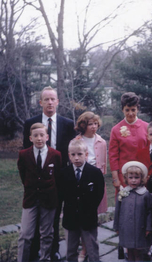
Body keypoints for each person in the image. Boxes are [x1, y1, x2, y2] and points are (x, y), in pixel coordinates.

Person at [23, 86, 76, 261]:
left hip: (58, 179)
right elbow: (25, 154)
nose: (50, 102)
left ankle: (53, 250)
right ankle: (34, 250)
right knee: (35, 217)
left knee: (52, 217)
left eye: (53, 99)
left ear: (58, 102)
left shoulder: (67, 124)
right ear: (41, 102)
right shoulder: (30, 123)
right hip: (36, 180)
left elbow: (71, 152)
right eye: (46, 99)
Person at [17, 123, 62, 262]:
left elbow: (58, 177)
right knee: (25, 234)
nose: (39, 138)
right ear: (30, 138)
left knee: (47, 234)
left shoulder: (56, 155)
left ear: (47, 137)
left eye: (42, 135)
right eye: (35, 136)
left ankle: (45, 258)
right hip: (30, 199)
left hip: (49, 199)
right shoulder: (24, 155)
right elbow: (23, 175)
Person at [60, 138, 104, 262]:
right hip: (70, 217)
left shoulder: (95, 172)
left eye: (80, 154)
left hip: (88, 216)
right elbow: (61, 193)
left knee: (92, 247)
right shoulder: (64, 173)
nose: (77, 158)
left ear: (86, 154)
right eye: (73, 155)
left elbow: (99, 193)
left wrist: (90, 207)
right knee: (70, 249)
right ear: (69, 156)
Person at [75, 111, 107, 262]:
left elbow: (103, 165)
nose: (94, 127)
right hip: (81, 180)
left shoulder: (101, 142)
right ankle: (84, 248)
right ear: (83, 125)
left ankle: (90, 247)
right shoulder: (77, 141)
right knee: (82, 215)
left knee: (92, 215)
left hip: (95, 180)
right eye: (90, 124)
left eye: (95, 124)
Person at [113, 161, 152, 262]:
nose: (134, 180)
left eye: (137, 177)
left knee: (138, 251)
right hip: (126, 228)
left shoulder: (145, 194)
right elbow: (117, 211)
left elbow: (150, 212)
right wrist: (116, 226)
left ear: (142, 178)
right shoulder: (123, 194)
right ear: (126, 178)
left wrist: (149, 228)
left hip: (140, 228)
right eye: (130, 178)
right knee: (129, 250)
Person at [109, 92, 148, 193]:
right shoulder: (116, 129)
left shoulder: (147, 127)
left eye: (133, 110)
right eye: (127, 110)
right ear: (122, 109)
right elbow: (113, 156)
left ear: (137, 109)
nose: (130, 113)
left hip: (143, 175)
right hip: (124, 176)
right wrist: (115, 178)